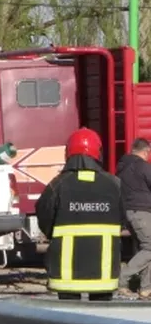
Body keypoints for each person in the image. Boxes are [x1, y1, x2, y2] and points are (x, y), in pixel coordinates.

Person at [35, 127, 124, 301]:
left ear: (68, 153)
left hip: (67, 275)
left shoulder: (58, 184)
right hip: (103, 274)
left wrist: (53, 233)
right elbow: (123, 218)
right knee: (101, 323)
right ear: (98, 153)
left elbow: (43, 215)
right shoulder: (114, 184)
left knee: (70, 322)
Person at [117, 138, 151, 298]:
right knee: (149, 247)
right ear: (145, 152)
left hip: (129, 212)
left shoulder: (122, 167)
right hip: (141, 211)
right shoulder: (142, 166)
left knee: (146, 248)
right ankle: (122, 278)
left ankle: (146, 289)